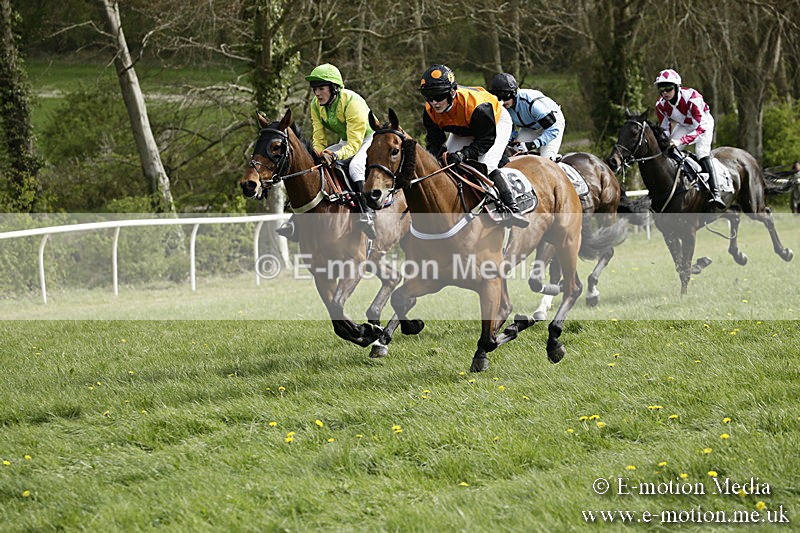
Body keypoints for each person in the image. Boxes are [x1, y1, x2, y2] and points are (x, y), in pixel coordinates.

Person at [417, 64, 528, 228]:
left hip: (494, 123)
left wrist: (464, 154)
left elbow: (486, 139)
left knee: (485, 166)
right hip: (465, 127)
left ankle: (511, 207)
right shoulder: (429, 111)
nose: (434, 102)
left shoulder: (477, 106)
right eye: (429, 97)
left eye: (439, 96)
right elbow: (434, 141)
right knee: (446, 165)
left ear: (452, 92)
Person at [276, 63, 376, 241]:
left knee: (355, 166)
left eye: (321, 89)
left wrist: (335, 155)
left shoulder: (352, 103)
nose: (317, 93)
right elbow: (319, 138)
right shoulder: (316, 105)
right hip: (347, 141)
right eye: (315, 89)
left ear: (334, 88)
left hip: (369, 139)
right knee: (314, 163)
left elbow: (354, 144)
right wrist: (318, 154)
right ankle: (296, 220)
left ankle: (366, 213)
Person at [654, 68, 725, 209]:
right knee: (668, 151)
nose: (665, 93)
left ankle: (715, 192)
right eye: (661, 89)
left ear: (677, 87)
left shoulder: (693, 98)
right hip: (685, 125)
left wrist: (681, 141)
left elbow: (700, 128)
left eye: (668, 89)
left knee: (701, 152)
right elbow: (664, 128)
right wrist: (665, 142)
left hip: (703, 124)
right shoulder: (660, 105)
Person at [488, 73, 565, 160]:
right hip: (529, 127)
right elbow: (509, 129)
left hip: (552, 125)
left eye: (505, 97)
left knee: (546, 158)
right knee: (515, 153)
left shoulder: (532, 103)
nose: (502, 102)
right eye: (498, 98)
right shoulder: (504, 107)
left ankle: (553, 158)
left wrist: (532, 145)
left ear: (514, 93)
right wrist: (509, 141)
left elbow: (553, 129)